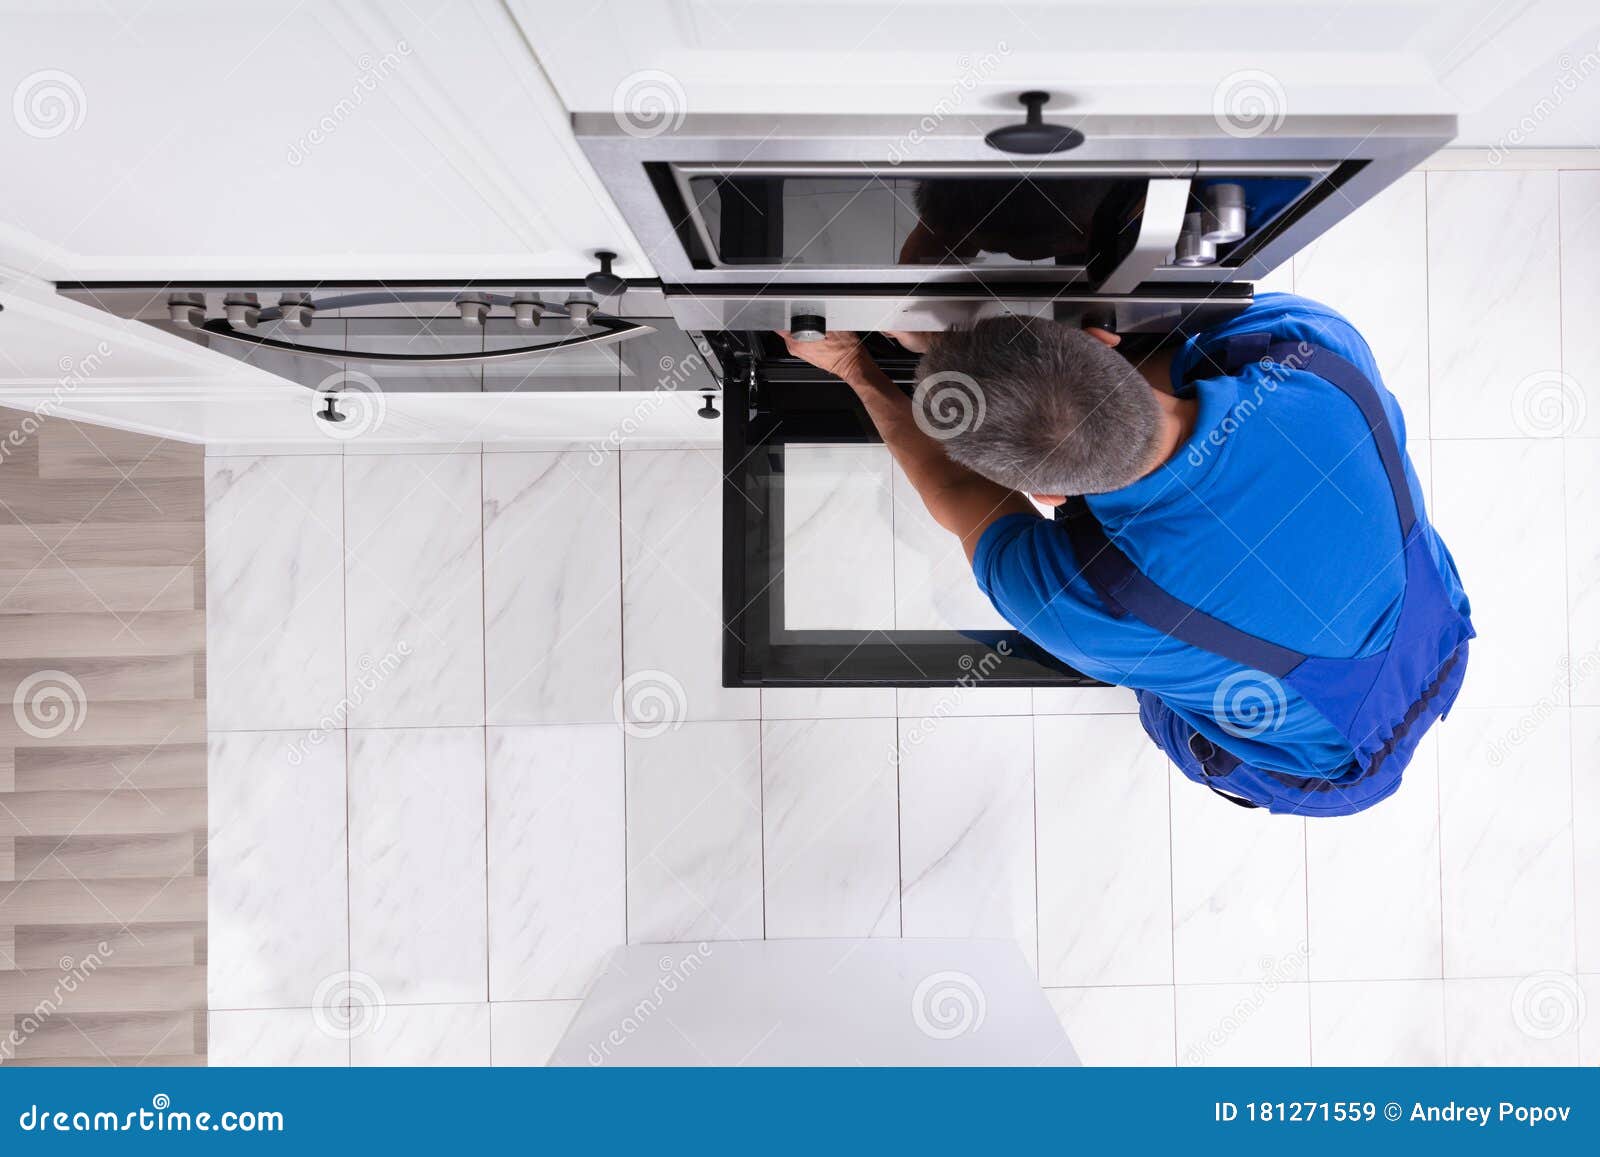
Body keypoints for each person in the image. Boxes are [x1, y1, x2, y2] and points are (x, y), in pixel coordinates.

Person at [780, 294, 1472, 816]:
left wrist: (855, 365)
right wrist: (975, 352)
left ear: (1045, 492)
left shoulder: (1093, 610)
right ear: (1103, 339)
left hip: (1333, 764)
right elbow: (984, 469)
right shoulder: (1310, 346)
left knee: (1164, 705)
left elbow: (958, 484)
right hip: (1441, 628)